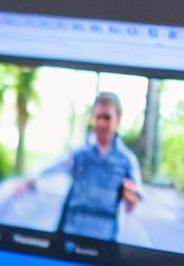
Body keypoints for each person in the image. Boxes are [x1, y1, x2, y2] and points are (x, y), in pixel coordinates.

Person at [58, 92, 142, 240]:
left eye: (107, 118)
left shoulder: (127, 160)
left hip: (105, 237)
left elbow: (132, 203)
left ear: (118, 120)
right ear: (92, 119)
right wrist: (31, 181)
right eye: (98, 117)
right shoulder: (79, 154)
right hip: (71, 233)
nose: (102, 123)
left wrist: (130, 195)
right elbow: (56, 169)